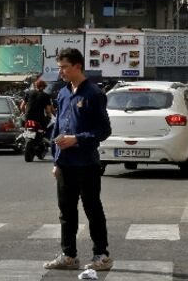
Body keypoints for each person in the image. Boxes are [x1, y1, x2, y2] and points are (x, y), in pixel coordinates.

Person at [44, 47, 112, 273]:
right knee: (66, 212)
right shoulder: (63, 93)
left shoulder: (93, 94)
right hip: (65, 165)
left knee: (92, 209)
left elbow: (103, 130)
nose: (60, 71)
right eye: (59, 67)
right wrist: (55, 161)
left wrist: (77, 139)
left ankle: (101, 255)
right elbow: (57, 129)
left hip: (87, 163)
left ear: (77, 66)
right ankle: (68, 254)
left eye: (64, 67)